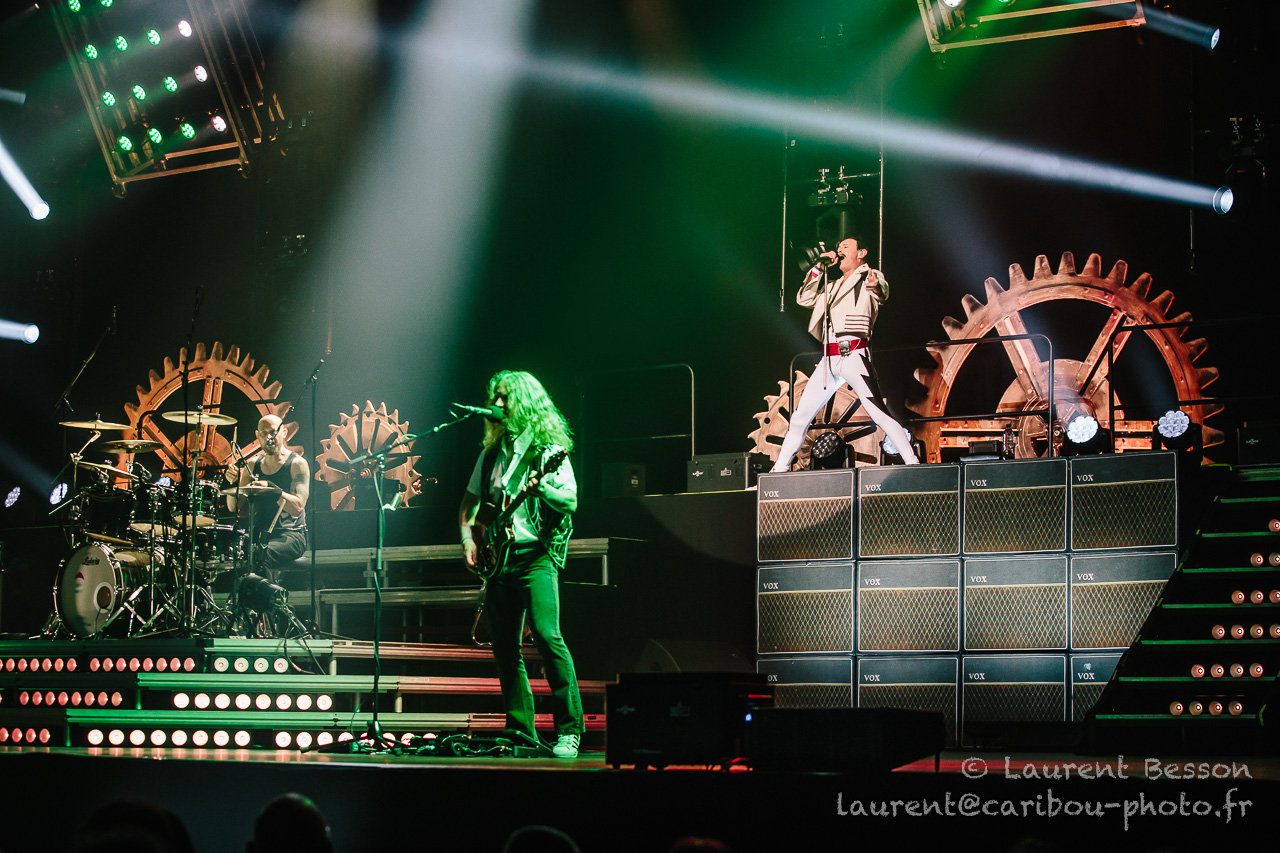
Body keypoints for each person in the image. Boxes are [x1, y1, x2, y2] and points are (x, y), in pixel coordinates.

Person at [459, 370, 584, 759]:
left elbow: (570, 500)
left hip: (536, 557)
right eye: (494, 397)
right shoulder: (490, 455)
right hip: (500, 561)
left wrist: (541, 487)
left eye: (504, 397)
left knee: (547, 636)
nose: (496, 404)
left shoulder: (547, 452)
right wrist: (468, 539)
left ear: (525, 402)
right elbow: (469, 505)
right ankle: (520, 730)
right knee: (504, 649)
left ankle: (569, 730)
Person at [771, 235, 919, 471]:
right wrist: (819, 267)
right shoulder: (831, 286)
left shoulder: (868, 276)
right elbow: (804, 298)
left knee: (878, 412)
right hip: (829, 360)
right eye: (838, 247)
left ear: (861, 253)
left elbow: (881, 290)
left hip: (853, 354)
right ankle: (779, 469)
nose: (839, 251)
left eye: (845, 247)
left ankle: (912, 461)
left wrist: (875, 284)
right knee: (800, 417)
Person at [228, 414, 310, 576]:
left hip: (290, 534)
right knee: (234, 554)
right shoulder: (253, 465)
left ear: (284, 433)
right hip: (259, 533)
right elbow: (235, 508)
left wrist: (271, 489)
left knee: (262, 554)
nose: (269, 438)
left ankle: (268, 593)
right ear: (257, 435)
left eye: (273, 432)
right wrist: (234, 483)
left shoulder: (296, 464)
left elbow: (297, 508)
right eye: (264, 433)